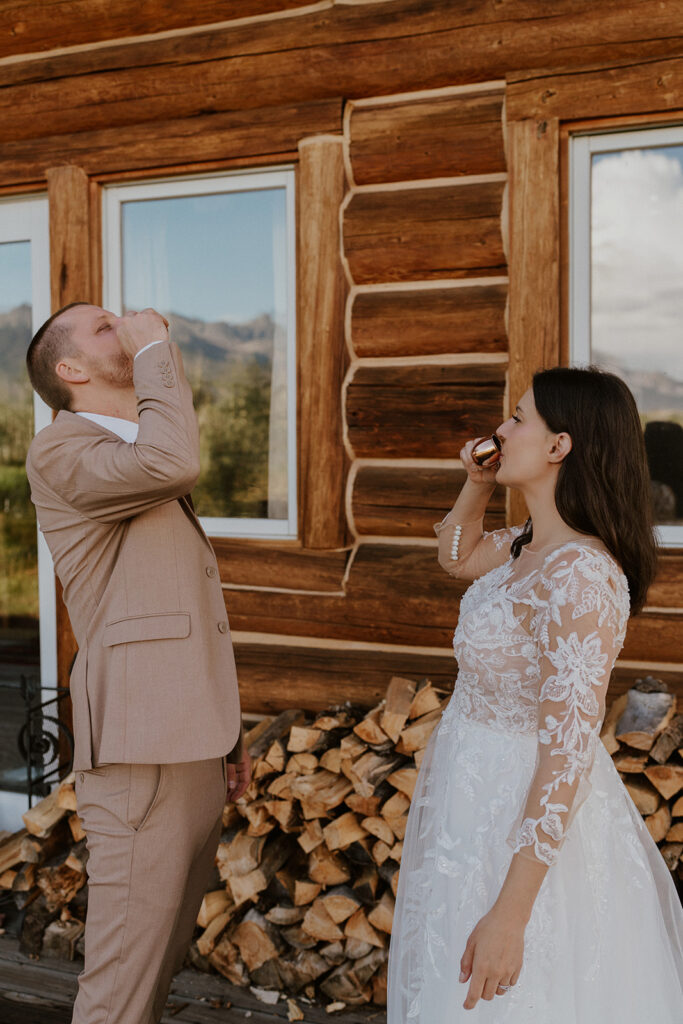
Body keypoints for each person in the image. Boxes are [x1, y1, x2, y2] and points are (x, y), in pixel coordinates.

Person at [387, 366, 683, 1023]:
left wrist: (510, 913)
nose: (500, 428)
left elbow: (567, 755)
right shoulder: (523, 546)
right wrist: (476, 483)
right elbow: (455, 557)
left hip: (522, 816)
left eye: (517, 417)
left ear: (559, 446)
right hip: (468, 798)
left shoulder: (578, 576)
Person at [25, 303, 250, 1024]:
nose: (121, 322)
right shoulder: (60, 449)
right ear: (71, 371)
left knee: (155, 971)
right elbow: (174, 460)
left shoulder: (137, 442)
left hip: (191, 740)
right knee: (121, 985)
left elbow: (181, 614)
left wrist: (231, 734)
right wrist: (156, 348)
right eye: (101, 326)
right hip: (139, 746)